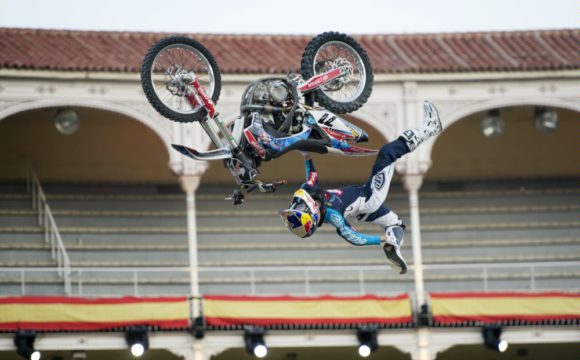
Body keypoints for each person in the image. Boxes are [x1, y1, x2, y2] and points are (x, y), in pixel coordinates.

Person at [280, 101, 443, 274]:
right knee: (387, 153)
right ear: (310, 213)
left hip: (364, 210)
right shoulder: (332, 214)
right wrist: (379, 240)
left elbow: (312, 177)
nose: (295, 204)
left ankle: (394, 243)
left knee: (396, 224)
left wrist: (306, 156)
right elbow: (353, 237)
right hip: (370, 196)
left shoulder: (312, 196)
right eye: (298, 208)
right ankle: (431, 127)